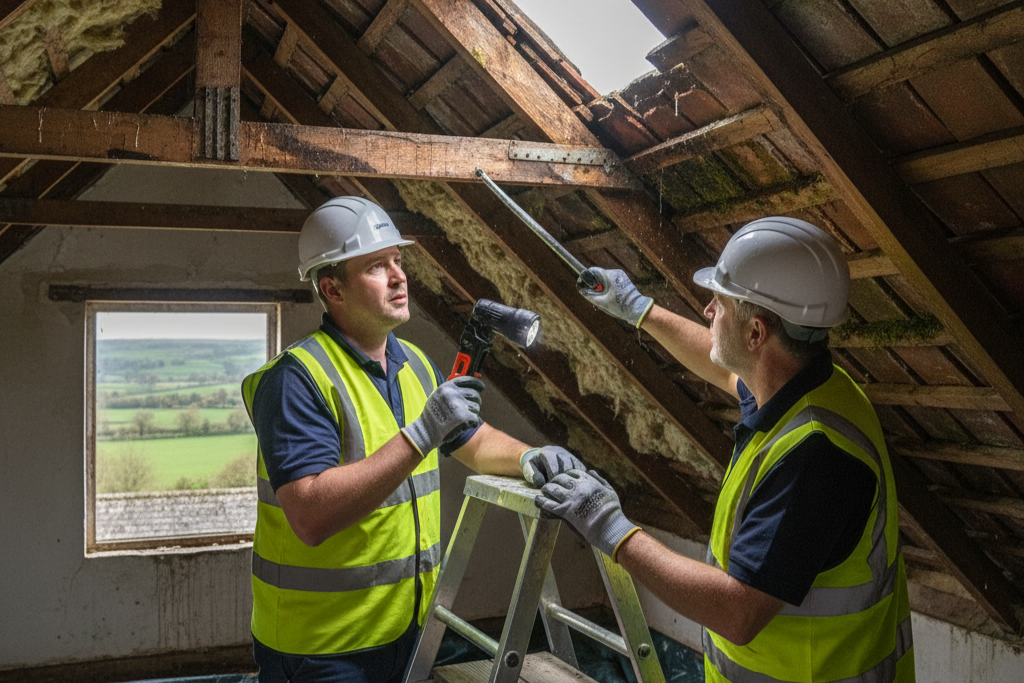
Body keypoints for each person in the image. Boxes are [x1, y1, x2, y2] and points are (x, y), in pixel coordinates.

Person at [536, 217, 915, 682]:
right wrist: (639, 310)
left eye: (720, 302)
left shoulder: (816, 459)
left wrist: (609, 526)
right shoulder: (815, 386)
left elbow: (738, 612)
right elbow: (725, 369)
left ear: (756, 333)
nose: (708, 310)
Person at [242, 197, 583, 683]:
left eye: (397, 260)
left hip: (408, 632)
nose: (399, 277)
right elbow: (311, 515)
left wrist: (530, 457)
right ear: (332, 288)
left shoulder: (416, 365)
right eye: (376, 266)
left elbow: (472, 441)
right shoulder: (296, 380)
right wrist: (422, 433)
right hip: (321, 649)